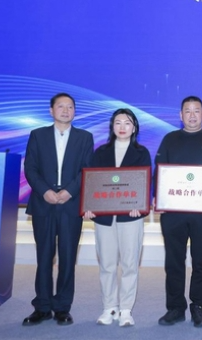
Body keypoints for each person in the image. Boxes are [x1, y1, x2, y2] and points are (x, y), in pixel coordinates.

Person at [154, 96, 202, 328]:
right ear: (180, 115)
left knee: (201, 262)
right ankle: (175, 308)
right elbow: (159, 171)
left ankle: (198, 307)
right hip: (173, 212)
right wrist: (157, 194)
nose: (192, 115)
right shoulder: (169, 139)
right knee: (174, 262)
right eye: (187, 111)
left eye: (196, 110)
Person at [23, 93, 94, 326]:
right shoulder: (38, 135)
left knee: (67, 257)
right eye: (61, 106)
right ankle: (42, 307)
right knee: (43, 257)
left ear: (75, 111)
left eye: (70, 107)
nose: (65, 110)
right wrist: (44, 190)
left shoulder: (85, 137)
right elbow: (30, 167)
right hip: (43, 203)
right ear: (51, 110)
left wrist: (69, 191)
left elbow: (87, 169)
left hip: (70, 205)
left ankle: (62, 307)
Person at [83, 108, 151, 327]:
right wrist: (89, 206)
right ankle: (109, 307)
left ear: (134, 128)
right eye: (118, 123)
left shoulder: (141, 153)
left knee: (130, 264)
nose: (122, 127)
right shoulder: (100, 152)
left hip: (130, 217)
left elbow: (145, 183)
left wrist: (140, 207)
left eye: (127, 123)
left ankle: (126, 309)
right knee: (107, 264)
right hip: (104, 218)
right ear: (112, 127)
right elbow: (91, 182)